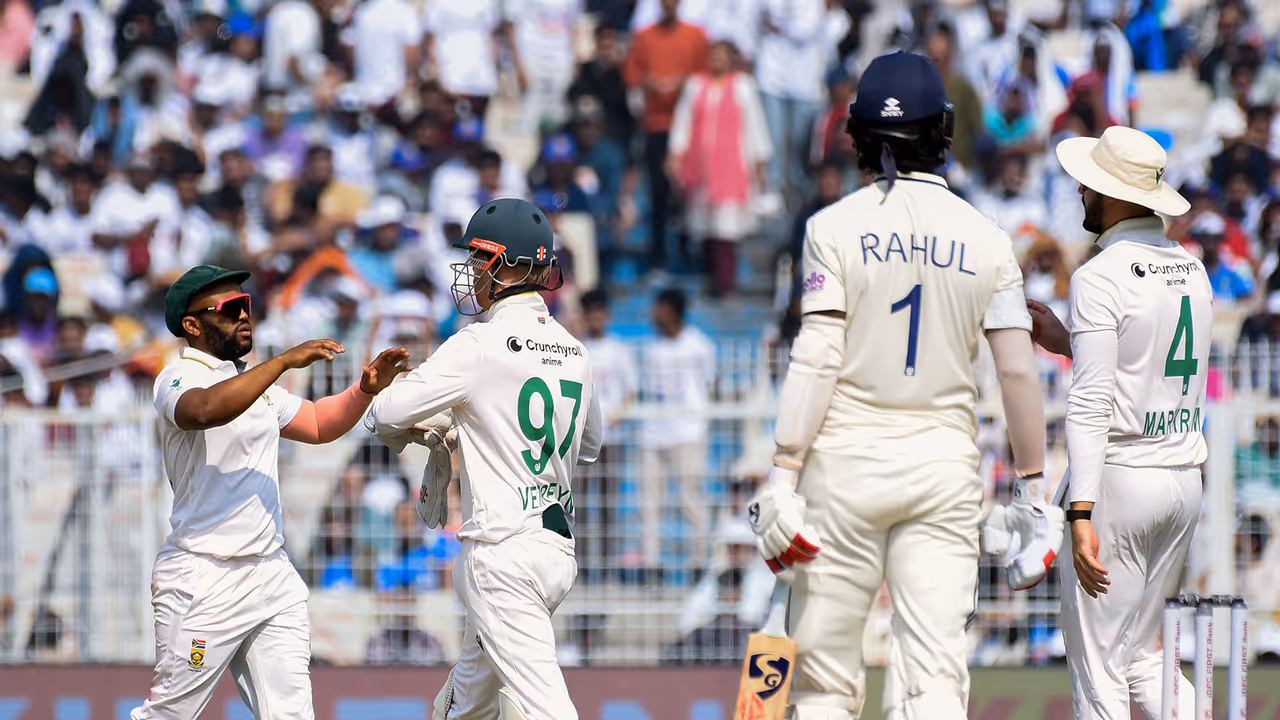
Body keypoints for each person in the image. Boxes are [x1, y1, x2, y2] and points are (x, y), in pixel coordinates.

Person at [746, 51, 1059, 720]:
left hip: (842, 472)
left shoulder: (830, 229)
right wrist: (1034, 491)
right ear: (942, 130)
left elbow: (818, 355)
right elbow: (1014, 370)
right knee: (934, 684)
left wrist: (781, 475)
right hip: (943, 473)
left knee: (824, 687)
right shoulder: (987, 238)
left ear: (858, 134)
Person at [130, 265, 409, 719]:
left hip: (271, 574)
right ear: (192, 325)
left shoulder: (255, 385)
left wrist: (362, 391)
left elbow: (318, 423)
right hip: (204, 576)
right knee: (169, 715)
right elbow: (203, 411)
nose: (244, 315)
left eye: (247, 305)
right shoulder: (176, 378)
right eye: (230, 308)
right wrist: (281, 362)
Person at [365, 198, 602, 720]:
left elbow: (384, 415)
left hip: (501, 552)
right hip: (556, 554)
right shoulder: (575, 351)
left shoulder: (477, 342)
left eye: (477, 260)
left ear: (503, 265)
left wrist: (438, 424)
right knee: (465, 705)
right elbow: (588, 446)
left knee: (545, 710)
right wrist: (471, 422)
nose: (471, 273)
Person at [1025, 125, 1210, 720]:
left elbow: (1091, 404)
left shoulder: (1099, 276)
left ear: (1120, 197)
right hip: (1182, 478)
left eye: (1093, 184)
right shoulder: (1191, 268)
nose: (1082, 192)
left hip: (1122, 483)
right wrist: (1069, 342)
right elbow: (1145, 365)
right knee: (1144, 658)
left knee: (1099, 666)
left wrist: (1079, 512)